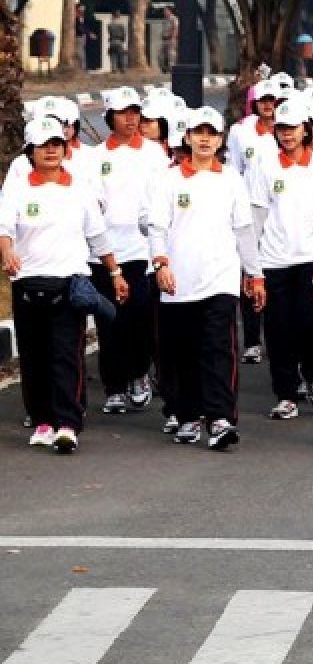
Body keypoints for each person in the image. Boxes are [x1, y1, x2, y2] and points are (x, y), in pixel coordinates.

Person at [0, 118, 129, 453]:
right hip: (28, 284)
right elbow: (5, 228)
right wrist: (8, 252)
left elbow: (97, 235)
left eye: (57, 144)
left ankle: (68, 424)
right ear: (30, 151)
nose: (52, 150)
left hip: (69, 284)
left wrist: (114, 272)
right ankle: (43, 420)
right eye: (44, 145)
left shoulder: (80, 188)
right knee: (34, 357)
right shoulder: (16, 188)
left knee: (66, 356)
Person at [148, 107, 266, 450]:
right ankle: (187, 416)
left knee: (219, 349)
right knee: (182, 353)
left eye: (211, 133)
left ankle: (219, 418)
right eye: (198, 132)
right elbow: (157, 228)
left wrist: (254, 275)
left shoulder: (230, 179)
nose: (204, 139)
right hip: (178, 282)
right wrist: (161, 264)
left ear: (219, 140)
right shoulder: (169, 180)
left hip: (220, 279)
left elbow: (244, 231)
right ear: (187, 137)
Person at [248, 98, 313, 420]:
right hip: (274, 259)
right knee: (278, 328)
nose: (286, 134)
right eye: (281, 128)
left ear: (306, 129)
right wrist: (251, 266)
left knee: (311, 324)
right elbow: (256, 216)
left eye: (292, 128)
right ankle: (285, 393)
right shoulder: (264, 165)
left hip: (312, 259)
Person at [79, 87, 161, 416]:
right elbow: (91, 204)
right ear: (110, 116)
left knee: (139, 316)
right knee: (109, 319)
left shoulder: (154, 154)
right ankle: (114, 386)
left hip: (142, 249)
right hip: (105, 251)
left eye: (135, 112)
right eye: (123, 112)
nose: (130, 118)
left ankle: (139, 374)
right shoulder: (96, 158)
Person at [159, 7, 179, 73]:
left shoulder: (174, 19)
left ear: (170, 11)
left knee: (171, 56)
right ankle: (164, 69)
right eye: (164, 11)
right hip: (164, 39)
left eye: (166, 11)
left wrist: (173, 38)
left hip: (171, 39)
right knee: (161, 55)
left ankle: (172, 70)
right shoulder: (165, 20)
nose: (165, 12)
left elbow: (176, 28)